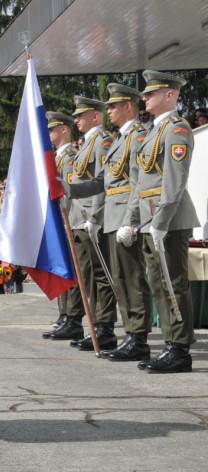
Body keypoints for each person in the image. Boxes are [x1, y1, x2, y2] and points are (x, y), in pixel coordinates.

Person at [64, 84, 152, 354]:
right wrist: (70, 189)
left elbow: (138, 183)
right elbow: (103, 181)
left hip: (124, 214)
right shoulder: (118, 139)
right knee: (119, 277)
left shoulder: (137, 136)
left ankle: (137, 337)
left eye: (113, 105)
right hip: (113, 215)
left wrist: (128, 218)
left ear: (128, 106)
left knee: (131, 278)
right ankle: (131, 334)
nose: (109, 110)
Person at [123, 71, 199, 373]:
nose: (145, 98)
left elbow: (175, 180)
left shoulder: (177, 129)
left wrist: (161, 220)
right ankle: (170, 343)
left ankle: (179, 349)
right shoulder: (153, 131)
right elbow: (140, 182)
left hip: (169, 219)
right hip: (150, 219)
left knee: (173, 283)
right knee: (158, 283)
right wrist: (132, 220)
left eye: (151, 94)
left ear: (170, 95)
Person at [49, 96, 116, 342]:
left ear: (95, 116)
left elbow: (102, 182)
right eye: (75, 116)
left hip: (87, 218)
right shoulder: (85, 145)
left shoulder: (102, 142)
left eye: (80, 115)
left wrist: (96, 216)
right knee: (83, 274)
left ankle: (102, 326)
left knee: (97, 275)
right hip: (76, 218)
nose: (76, 119)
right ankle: (84, 321)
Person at [42, 112, 79, 337]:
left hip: (70, 219)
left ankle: (73, 319)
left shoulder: (71, 156)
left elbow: (73, 193)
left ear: (64, 129)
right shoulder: (56, 157)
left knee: (71, 270)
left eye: (52, 129)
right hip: (59, 220)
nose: (49, 134)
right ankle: (65, 314)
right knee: (61, 269)